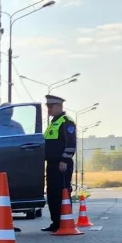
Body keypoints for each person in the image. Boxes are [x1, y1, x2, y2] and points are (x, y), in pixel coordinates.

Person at [41, 94, 77, 232]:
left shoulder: (66, 121)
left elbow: (70, 143)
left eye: (51, 106)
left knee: (62, 192)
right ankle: (55, 222)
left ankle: (65, 221)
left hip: (62, 164)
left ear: (59, 106)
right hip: (51, 164)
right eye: (47, 106)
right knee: (52, 193)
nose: (49, 109)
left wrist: (64, 159)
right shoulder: (53, 123)